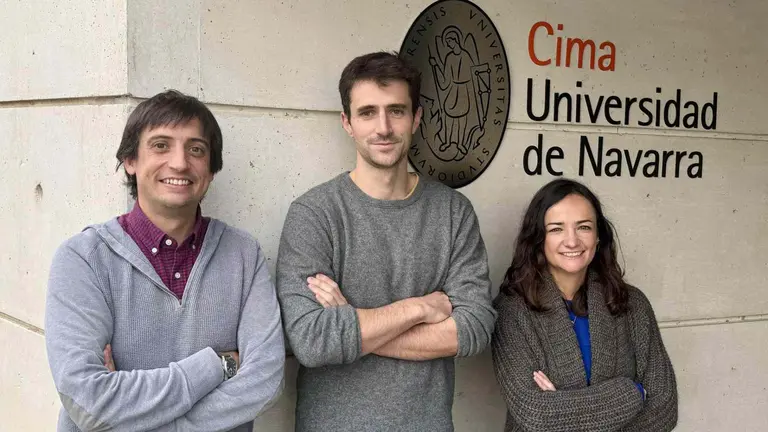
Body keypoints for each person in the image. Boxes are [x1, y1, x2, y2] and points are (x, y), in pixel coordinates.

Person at [275, 51, 496, 432]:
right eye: (367, 113)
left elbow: (474, 329)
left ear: (416, 118)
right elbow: (311, 341)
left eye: (396, 110)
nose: (383, 127)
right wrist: (420, 307)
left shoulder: (453, 212)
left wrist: (351, 322)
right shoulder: (314, 213)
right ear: (347, 122)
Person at [45, 90, 284, 431]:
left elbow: (266, 381)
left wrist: (138, 416)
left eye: (196, 149)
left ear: (211, 169)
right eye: (160, 145)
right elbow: (90, 402)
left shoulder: (243, 254)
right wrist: (217, 365)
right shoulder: (82, 260)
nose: (180, 163)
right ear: (131, 160)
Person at [492, 178, 678, 431]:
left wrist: (564, 409)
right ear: (538, 238)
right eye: (556, 229)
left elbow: (664, 408)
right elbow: (535, 414)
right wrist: (632, 393)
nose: (572, 241)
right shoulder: (512, 310)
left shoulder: (632, 304)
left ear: (599, 236)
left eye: (584, 227)